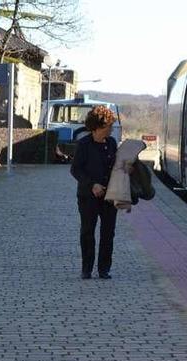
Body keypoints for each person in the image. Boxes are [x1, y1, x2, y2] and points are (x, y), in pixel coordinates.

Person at [70, 106, 118, 280]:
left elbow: (117, 166)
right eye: (109, 126)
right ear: (98, 127)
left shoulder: (112, 143)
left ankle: (104, 269)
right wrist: (92, 185)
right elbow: (75, 170)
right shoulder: (84, 144)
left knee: (108, 233)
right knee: (87, 232)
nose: (112, 129)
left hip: (110, 196)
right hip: (88, 197)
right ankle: (87, 269)